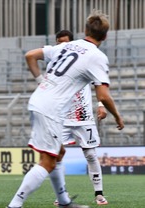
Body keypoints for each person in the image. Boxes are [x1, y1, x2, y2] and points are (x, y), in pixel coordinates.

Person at [6, 10, 124, 208]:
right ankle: (15, 205)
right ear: (105, 36)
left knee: (58, 153)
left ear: (85, 30)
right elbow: (103, 95)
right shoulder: (97, 56)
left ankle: (64, 202)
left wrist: (40, 81)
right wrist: (118, 116)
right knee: (47, 161)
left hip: (40, 101)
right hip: (52, 109)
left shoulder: (67, 46)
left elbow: (30, 55)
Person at [51, 30, 109, 206]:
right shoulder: (55, 62)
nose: (62, 45)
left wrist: (101, 105)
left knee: (91, 155)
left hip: (83, 116)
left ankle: (99, 194)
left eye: (65, 42)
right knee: (56, 156)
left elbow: (98, 84)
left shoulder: (84, 60)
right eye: (59, 42)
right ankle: (62, 195)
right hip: (62, 117)